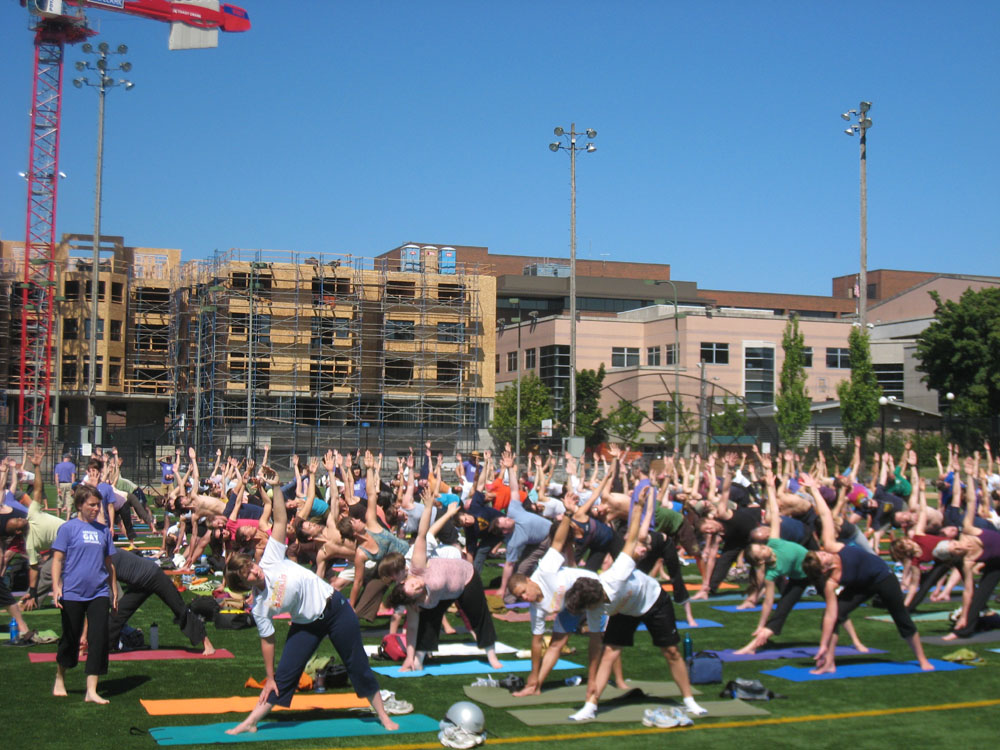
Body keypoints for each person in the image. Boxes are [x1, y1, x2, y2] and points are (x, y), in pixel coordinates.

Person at [224, 467, 404, 735]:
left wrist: (275, 487)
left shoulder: (271, 560)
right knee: (285, 674)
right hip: (306, 624)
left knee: (356, 663)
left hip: (335, 609)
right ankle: (251, 721)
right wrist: (270, 677)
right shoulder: (259, 606)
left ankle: (383, 716)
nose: (254, 570)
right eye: (248, 573)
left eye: (250, 565)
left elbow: (282, 523)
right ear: (243, 584)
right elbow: (268, 640)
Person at [564, 481, 706, 722]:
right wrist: (590, 680)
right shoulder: (596, 609)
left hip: (654, 601)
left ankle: (690, 700)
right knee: (609, 653)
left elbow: (632, 540)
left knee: (671, 651)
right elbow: (595, 648)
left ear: (594, 599)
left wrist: (638, 506)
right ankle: (590, 707)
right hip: (625, 611)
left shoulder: (616, 576)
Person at [801, 472, 933, 674]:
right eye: (823, 559)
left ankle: (922, 659)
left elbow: (826, 515)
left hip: (882, 577)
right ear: (824, 569)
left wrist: (813, 489)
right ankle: (829, 662)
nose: (825, 554)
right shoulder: (831, 582)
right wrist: (822, 646)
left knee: (902, 618)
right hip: (860, 585)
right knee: (836, 617)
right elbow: (830, 615)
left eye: (821, 554)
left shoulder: (831, 545)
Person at [379, 486, 503, 671]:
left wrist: (429, 507)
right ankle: (419, 659)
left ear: (405, 580)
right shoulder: (413, 602)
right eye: (417, 590)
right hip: (443, 593)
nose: (419, 585)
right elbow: (412, 629)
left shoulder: (417, 565)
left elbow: (423, 534)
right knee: (428, 621)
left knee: (478, 614)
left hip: (465, 577)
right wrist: (409, 658)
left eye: (414, 584)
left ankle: (491, 654)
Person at [51, 484, 119, 704]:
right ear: (80, 505)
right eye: (91, 505)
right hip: (72, 592)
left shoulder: (102, 531)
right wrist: (56, 586)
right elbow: (58, 560)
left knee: (98, 638)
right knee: (70, 638)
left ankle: (92, 690)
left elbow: (109, 564)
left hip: (98, 592)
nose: (95, 508)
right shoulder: (68, 529)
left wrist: (114, 589)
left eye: (98, 505)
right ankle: (60, 677)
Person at [107, 548, 215, 655]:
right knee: (118, 614)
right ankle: (106, 646)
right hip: (139, 584)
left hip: (154, 576)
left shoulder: (104, 557)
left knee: (179, 609)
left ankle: (207, 644)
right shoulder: (99, 559)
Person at [53, 453, 76, 520]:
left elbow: (56, 477)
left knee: (59, 502)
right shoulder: (72, 465)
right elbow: (73, 476)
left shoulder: (58, 466)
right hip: (69, 484)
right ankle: (67, 519)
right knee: (69, 502)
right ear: (68, 458)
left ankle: (58, 518)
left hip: (61, 484)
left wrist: (58, 487)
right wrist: (73, 487)